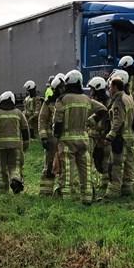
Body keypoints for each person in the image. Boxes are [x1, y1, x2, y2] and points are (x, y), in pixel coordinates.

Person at [53, 69, 106, 204]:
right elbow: (103, 110)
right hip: (84, 139)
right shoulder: (87, 99)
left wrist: (56, 136)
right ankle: (87, 198)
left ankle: (66, 200)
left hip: (67, 140)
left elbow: (58, 121)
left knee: (67, 171)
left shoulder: (62, 100)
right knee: (86, 170)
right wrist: (92, 121)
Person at [0, 91, 30, 194]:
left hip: (0, 147)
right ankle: (15, 180)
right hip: (16, 147)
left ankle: (2, 191)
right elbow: (25, 130)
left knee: (1, 169)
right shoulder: (18, 113)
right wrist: (26, 144)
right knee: (15, 166)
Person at [105, 71, 134, 198]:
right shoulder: (129, 98)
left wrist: (111, 135)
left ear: (115, 87)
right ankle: (127, 187)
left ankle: (114, 190)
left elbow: (118, 120)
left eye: (110, 87)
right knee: (129, 162)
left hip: (120, 136)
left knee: (116, 164)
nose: (109, 89)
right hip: (130, 135)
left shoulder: (118, 100)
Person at [38, 74, 64, 196]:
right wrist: (43, 138)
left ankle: (60, 191)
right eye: (61, 87)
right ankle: (45, 191)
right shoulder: (48, 103)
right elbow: (42, 120)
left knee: (63, 166)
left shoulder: (67, 101)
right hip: (51, 140)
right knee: (49, 165)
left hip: (64, 140)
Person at [87, 76, 111, 200]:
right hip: (92, 134)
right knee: (92, 159)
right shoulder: (94, 101)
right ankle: (96, 182)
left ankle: (105, 182)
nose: (91, 92)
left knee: (104, 159)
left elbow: (108, 120)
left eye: (92, 90)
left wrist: (105, 135)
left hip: (102, 135)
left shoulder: (108, 103)